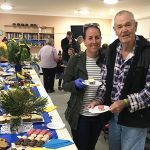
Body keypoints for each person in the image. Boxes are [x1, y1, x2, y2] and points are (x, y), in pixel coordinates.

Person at [88, 10, 150, 150]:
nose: (124, 30)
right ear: (115, 30)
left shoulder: (147, 52)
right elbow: (104, 83)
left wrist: (126, 102)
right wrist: (98, 100)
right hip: (113, 116)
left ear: (135, 25)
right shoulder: (110, 51)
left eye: (128, 25)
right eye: (120, 26)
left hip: (135, 119)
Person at [62, 23, 105, 150]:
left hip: (98, 115)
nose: (94, 41)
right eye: (90, 38)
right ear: (84, 41)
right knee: (81, 147)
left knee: (91, 146)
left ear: (101, 39)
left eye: (97, 37)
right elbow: (65, 84)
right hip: (80, 115)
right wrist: (74, 84)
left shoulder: (106, 60)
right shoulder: (75, 59)